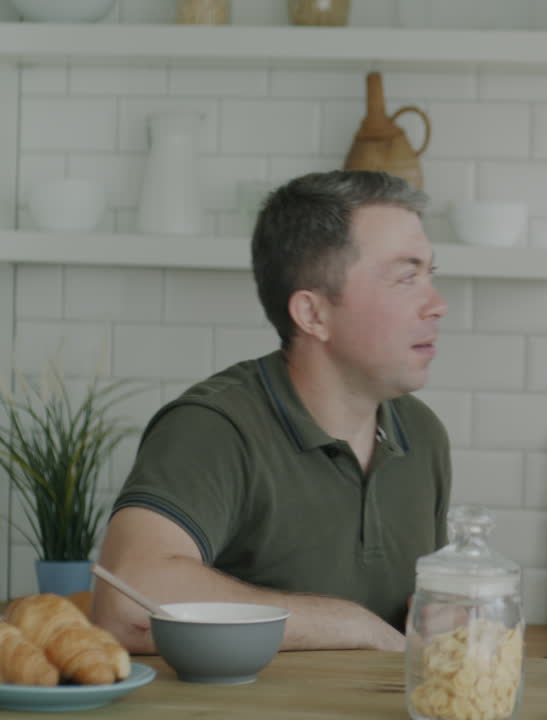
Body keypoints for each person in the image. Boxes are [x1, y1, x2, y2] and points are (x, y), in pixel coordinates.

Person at [93, 170, 451, 654]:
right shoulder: (213, 428)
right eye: (407, 278)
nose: (437, 305)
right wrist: (351, 625)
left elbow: (416, 625)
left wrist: (438, 617)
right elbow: (126, 604)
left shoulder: (422, 435)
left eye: (430, 275)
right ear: (313, 314)